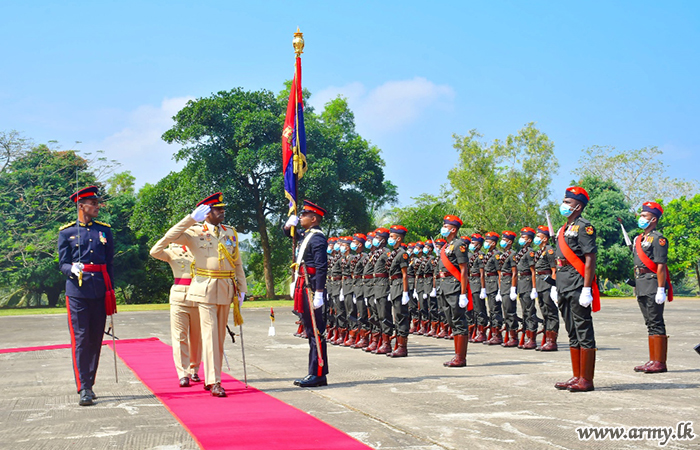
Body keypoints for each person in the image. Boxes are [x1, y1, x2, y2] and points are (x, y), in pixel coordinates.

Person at [160, 193, 247, 397]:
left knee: (219, 337)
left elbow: (237, 263)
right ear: (207, 213)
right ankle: (214, 381)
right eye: (217, 209)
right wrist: (191, 218)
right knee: (209, 335)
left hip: (226, 287)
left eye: (222, 208)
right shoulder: (193, 232)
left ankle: (211, 378)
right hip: (204, 288)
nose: (222, 212)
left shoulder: (230, 232)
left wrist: (242, 289)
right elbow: (169, 237)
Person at [58, 186, 115, 406]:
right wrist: (71, 269)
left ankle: (90, 383)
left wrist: (110, 289)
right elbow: (62, 263)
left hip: (100, 290)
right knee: (81, 339)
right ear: (81, 206)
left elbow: (109, 263)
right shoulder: (67, 232)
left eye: (97, 202)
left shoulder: (104, 231)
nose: (97, 206)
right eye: (93, 203)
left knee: (95, 338)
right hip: (77, 291)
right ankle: (84, 387)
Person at [553, 186, 598, 392]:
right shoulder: (563, 229)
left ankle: (586, 380)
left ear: (578, 206)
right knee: (571, 330)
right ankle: (577, 375)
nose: (564, 205)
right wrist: (555, 285)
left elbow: (589, 259)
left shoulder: (584, 227)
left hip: (578, 282)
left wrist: (587, 288)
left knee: (583, 329)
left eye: (568, 202)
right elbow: (558, 260)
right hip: (563, 282)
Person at [284, 200, 329, 387]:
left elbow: (321, 267)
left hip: (311, 288)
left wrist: (319, 292)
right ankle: (315, 372)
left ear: (313, 218)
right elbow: (291, 234)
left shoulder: (317, 238)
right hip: (303, 285)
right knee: (309, 329)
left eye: (303, 215)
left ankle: (318, 373)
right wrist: (287, 225)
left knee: (316, 331)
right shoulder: (307, 235)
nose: (300, 217)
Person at [150, 237, 202, 387]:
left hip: (198, 296)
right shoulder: (173, 251)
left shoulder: (200, 250)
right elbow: (154, 252)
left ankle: (194, 369)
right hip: (179, 297)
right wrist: (168, 238)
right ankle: (183, 373)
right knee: (179, 337)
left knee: (196, 338)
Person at [632, 201, 672, 374]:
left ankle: (660, 362)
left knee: (656, 321)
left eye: (644, 215)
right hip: (641, 282)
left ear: (653, 219)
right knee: (649, 323)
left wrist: (661, 289)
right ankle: (653, 359)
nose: (640, 218)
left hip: (653, 282)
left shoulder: (658, 239)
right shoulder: (640, 238)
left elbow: (661, 265)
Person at [437, 215, 472, 367]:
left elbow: (464, 270)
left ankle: (461, 358)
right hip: (445, 287)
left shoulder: (459, 245)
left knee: (459, 321)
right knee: (451, 321)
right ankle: (457, 355)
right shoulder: (446, 246)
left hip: (455, 287)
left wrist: (463, 293)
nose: (443, 228)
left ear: (453, 229)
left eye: (446, 226)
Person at [533, 225, 559, 352]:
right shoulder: (540, 251)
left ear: (545, 238)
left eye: (538, 236)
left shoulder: (549, 250)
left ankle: (552, 341)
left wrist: (554, 287)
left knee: (551, 312)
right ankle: (547, 339)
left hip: (547, 283)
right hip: (540, 283)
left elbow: (554, 270)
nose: (536, 238)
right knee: (544, 311)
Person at [386, 225, 411, 357]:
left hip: (400, 286)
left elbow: (405, 274)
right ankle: (398, 345)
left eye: (392, 236)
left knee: (401, 317)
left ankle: (402, 347)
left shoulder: (402, 254)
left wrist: (405, 292)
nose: (389, 239)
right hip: (394, 286)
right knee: (397, 316)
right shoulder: (395, 253)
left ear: (399, 238)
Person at [515, 227, 538, 350]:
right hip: (521, 284)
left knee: (530, 311)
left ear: (529, 240)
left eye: (523, 237)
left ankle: (532, 338)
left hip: (528, 283)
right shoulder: (521, 252)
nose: (521, 239)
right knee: (524, 312)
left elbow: (533, 271)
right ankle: (526, 335)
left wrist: (534, 288)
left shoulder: (530, 252)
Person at [371, 227, 393, 354]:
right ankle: (379, 341)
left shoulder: (387, 253)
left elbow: (392, 270)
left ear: (383, 240)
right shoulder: (377, 253)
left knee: (385, 315)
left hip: (384, 285)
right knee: (378, 315)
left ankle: (387, 343)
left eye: (377, 238)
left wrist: (390, 288)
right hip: (376, 285)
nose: (374, 240)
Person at [482, 232, 504, 345]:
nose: (485, 243)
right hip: (488, 284)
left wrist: (500, 289)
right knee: (491, 310)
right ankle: (493, 333)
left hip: (494, 284)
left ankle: (497, 335)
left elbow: (499, 273)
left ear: (493, 243)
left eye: (488, 241)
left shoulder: (496, 255)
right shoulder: (488, 254)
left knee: (495, 310)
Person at [498, 231, 519, 347]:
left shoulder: (512, 254)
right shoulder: (504, 254)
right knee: (506, 311)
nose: (502, 241)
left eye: (504, 240)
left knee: (510, 312)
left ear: (510, 242)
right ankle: (509, 335)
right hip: (504, 286)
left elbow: (514, 273)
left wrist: (513, 289)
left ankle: (513, 337)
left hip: (509, 285)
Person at [468, 234, 488, 343]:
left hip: (477, 284)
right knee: (474, 310)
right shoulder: (472, 256)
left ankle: (482, 332)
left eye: (473, 243)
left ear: (479, 245)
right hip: (472, 283)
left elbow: (482, 273)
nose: (471, 245)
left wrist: (483, 288)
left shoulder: (480, 256)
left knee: (480, 309)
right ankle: (475, 330)